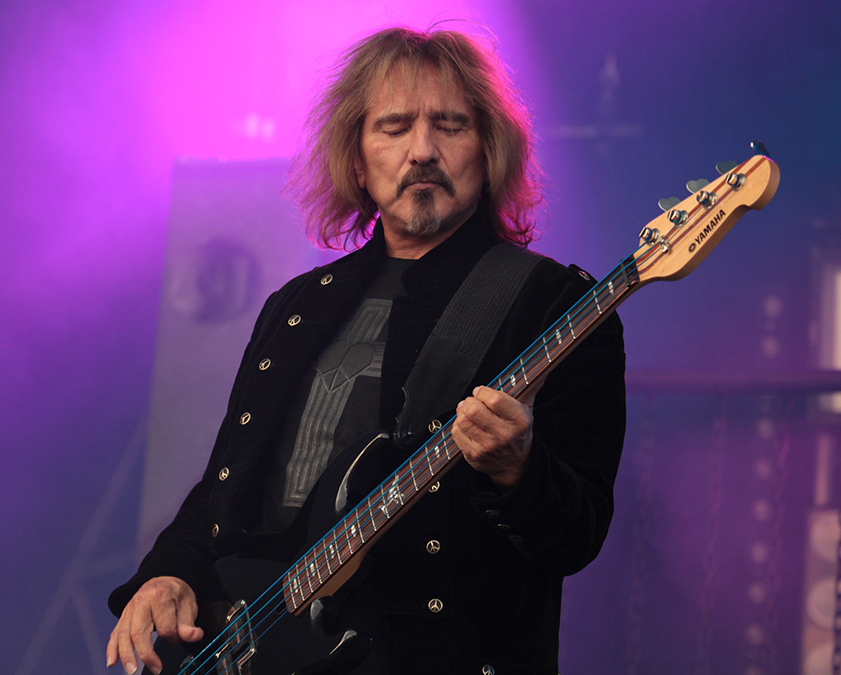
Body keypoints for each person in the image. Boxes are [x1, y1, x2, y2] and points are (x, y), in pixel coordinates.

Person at [107, 26, 625, 675]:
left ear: (489, 150)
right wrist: (168, 573)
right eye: (394, 127)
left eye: (450, 125)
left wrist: (518, 470)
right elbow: (224, 493)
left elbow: (578, 534)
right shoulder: (298, 305)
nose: (422, 150)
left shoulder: (554, 304)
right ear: (357, 160)